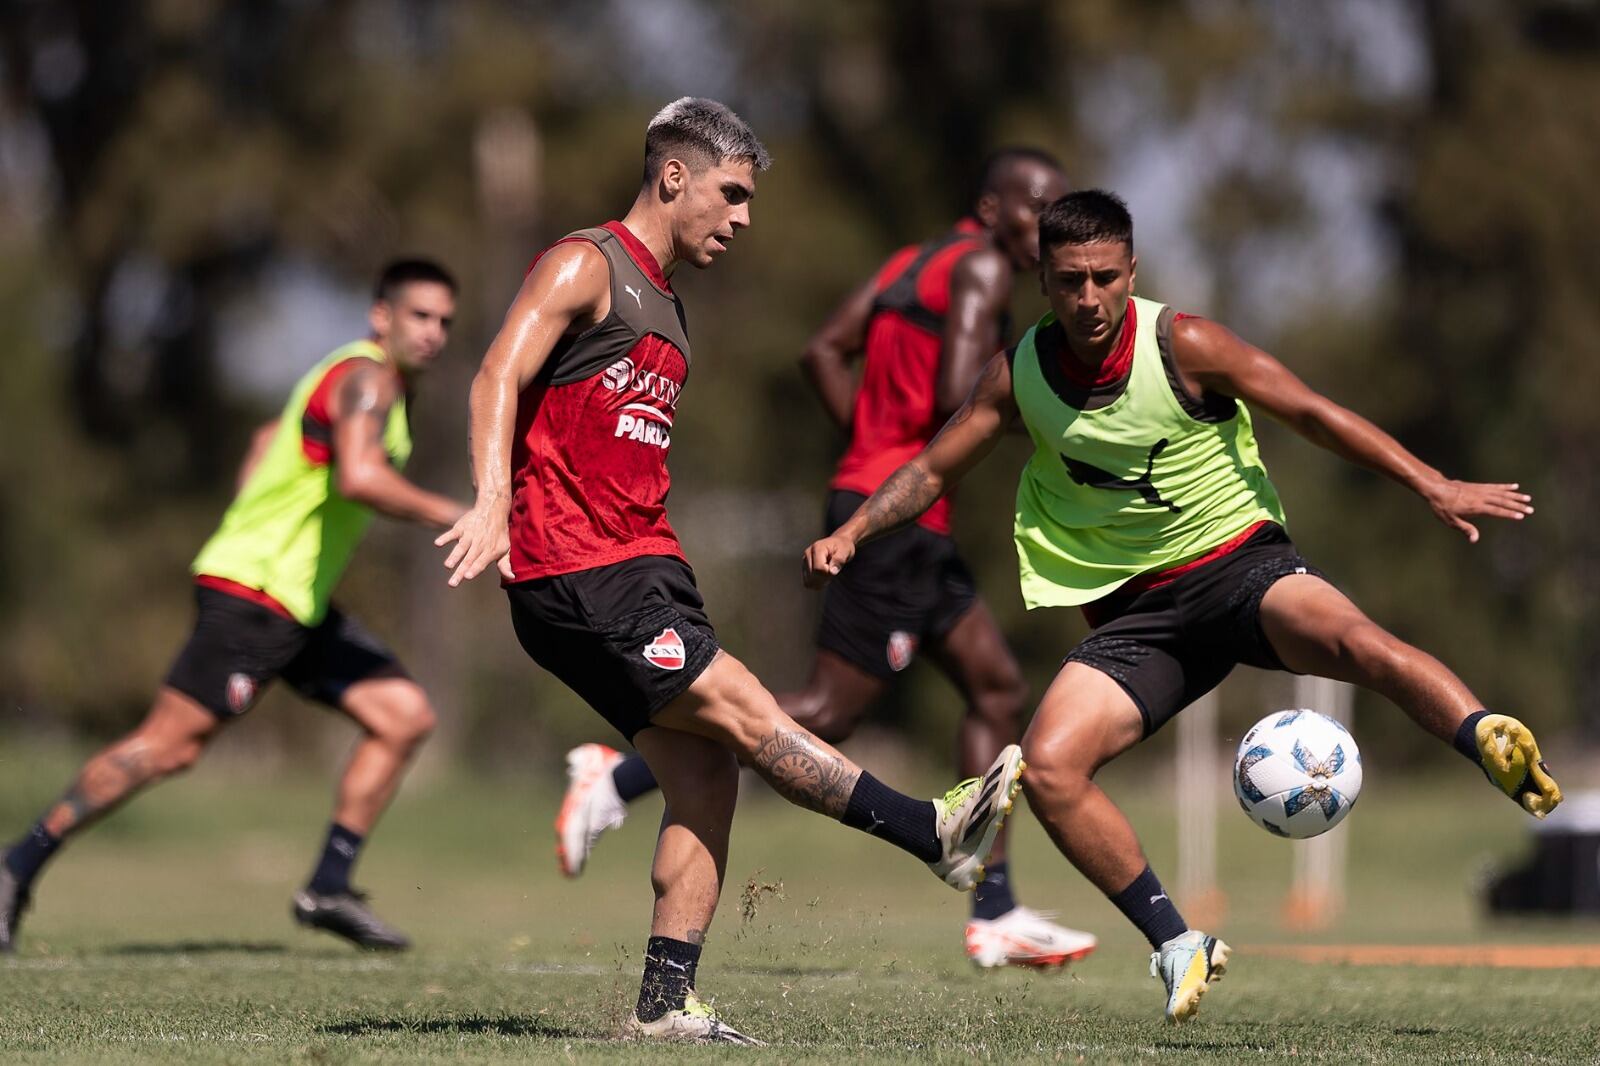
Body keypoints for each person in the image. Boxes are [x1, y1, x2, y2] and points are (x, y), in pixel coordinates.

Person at [802, 190, 1563, 1023]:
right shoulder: (1019, 371)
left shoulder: (1186, 344)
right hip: (1136, 616)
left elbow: (1311, 411)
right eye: (1068, 282)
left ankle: (1484, 735)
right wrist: (858, 530)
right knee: (1049, 769)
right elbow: (932, 469)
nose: (1088, 299)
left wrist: (1434, 484)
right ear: (1045, 285)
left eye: (1103, 278)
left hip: (1239, 563)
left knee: (1352, 641)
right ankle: (1176, 943)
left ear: (1131, 271)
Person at [436, 97, 1022, 1045]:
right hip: (580, 567)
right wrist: (492, 498)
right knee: (750, 710)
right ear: (675, 177)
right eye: (732, 194)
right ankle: (933, 835)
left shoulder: (669, 302)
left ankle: (665, 1005)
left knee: (708, 774)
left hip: (642, 563)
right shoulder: (588, 262)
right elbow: (496, 372)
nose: (744, 218)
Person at [557, 148, 1095, 971]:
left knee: (995, 683)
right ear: (993, 209)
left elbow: (821, 351)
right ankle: (619, 779)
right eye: (1038, 208)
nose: (1050, 227)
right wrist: (1073, 419)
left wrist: (864, 448)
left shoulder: (913, 262)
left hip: (887, 501)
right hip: (901, 514)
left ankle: (995, 910)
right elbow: (964, 386)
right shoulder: (984, 270)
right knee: (826, 709)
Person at [0, 260, 465, 954]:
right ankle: (15, 867)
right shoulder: (366, 379)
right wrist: (459, 513)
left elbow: (262, 442)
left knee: (403, 716)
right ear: (381, 317)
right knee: (167, 747)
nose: (434, 333)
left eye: (445, 322)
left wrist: (256, 503)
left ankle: (328, 888)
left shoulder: (370, 385)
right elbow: (361, 477)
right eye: (420, 316)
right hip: (254, 594)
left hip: (296, 599)